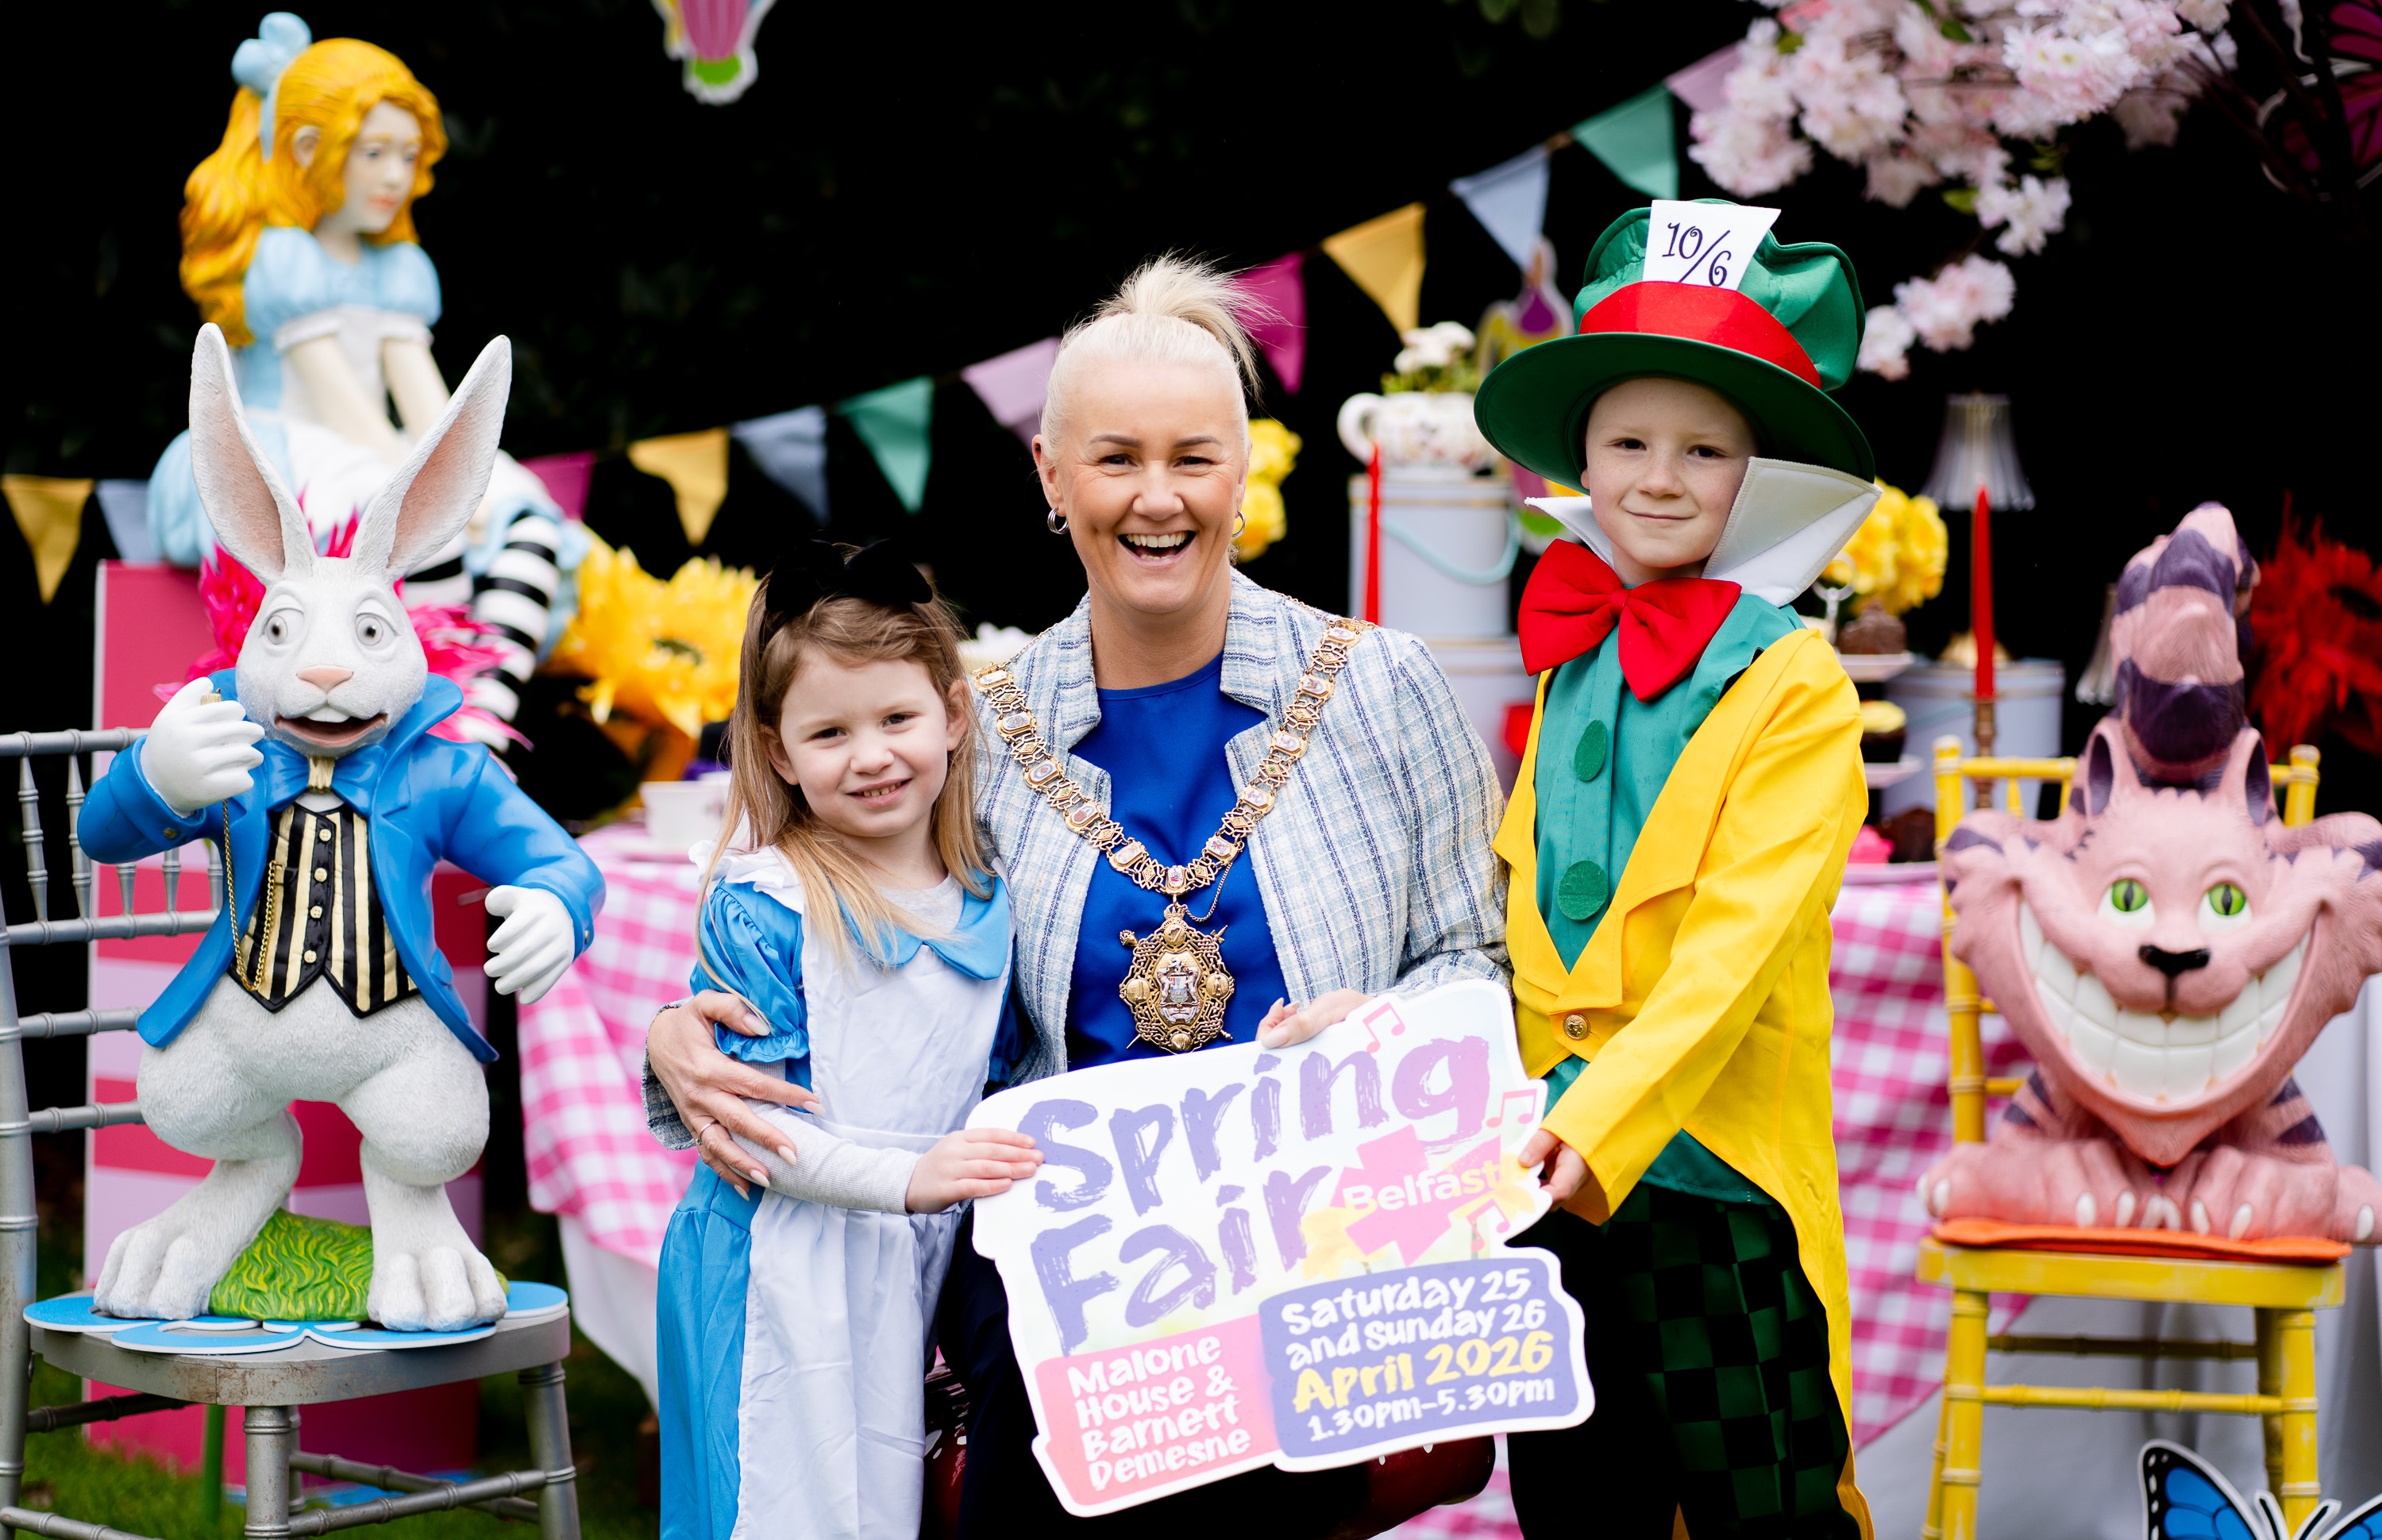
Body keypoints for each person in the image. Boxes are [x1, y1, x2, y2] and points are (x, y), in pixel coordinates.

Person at [646, 256, 1509, 1535]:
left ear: (1243, 469)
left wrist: (1375, 1036)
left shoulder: (1381, 687)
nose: (1156, 499)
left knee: (1241, 1441)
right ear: (1053, 478)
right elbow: (850, 947)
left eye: (1193, 458)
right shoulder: (975, 730)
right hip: (1068, 1266)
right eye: (1115, 460)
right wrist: (677, 1044)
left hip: (1311, 1242)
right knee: (1065, 1449)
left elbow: (1476, 962)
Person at [1469, 201, 1883, 1540]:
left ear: (1753, 475)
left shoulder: (1796, 685)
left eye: (1703, 450)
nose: (1659, 476)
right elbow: (1519, 910)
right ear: (1582, 457)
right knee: (1580, 1506)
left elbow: (1729, 958)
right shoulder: (1568, 657)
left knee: (1761, 1505)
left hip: (1711, 1187)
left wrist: (1588, 1127)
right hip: (1544, 1179)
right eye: (1630, 442)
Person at [653, 539, 1045, 1540]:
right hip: (778, 1265)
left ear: (954, 716)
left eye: (898, 718)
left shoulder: (987, 895)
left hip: (899, 1260)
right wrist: (912, 1179)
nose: (871, 754)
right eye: (829, 731)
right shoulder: (770, 902)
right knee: (786, 1510)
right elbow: (750, 1130)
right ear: (779, 750)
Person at [146, 13, 582, 749]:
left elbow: (420, 397)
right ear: (312, 151)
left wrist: (462, 479)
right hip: (294, 452)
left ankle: (481, 720)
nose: (393, 175)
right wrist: (413, 483)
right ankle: (428, 714)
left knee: (524, 521)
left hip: (374, 447)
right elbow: (342, 405)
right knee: (421, 539)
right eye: (373, 152)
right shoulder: (285, 261)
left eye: (406, 155)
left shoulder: (398, 269)